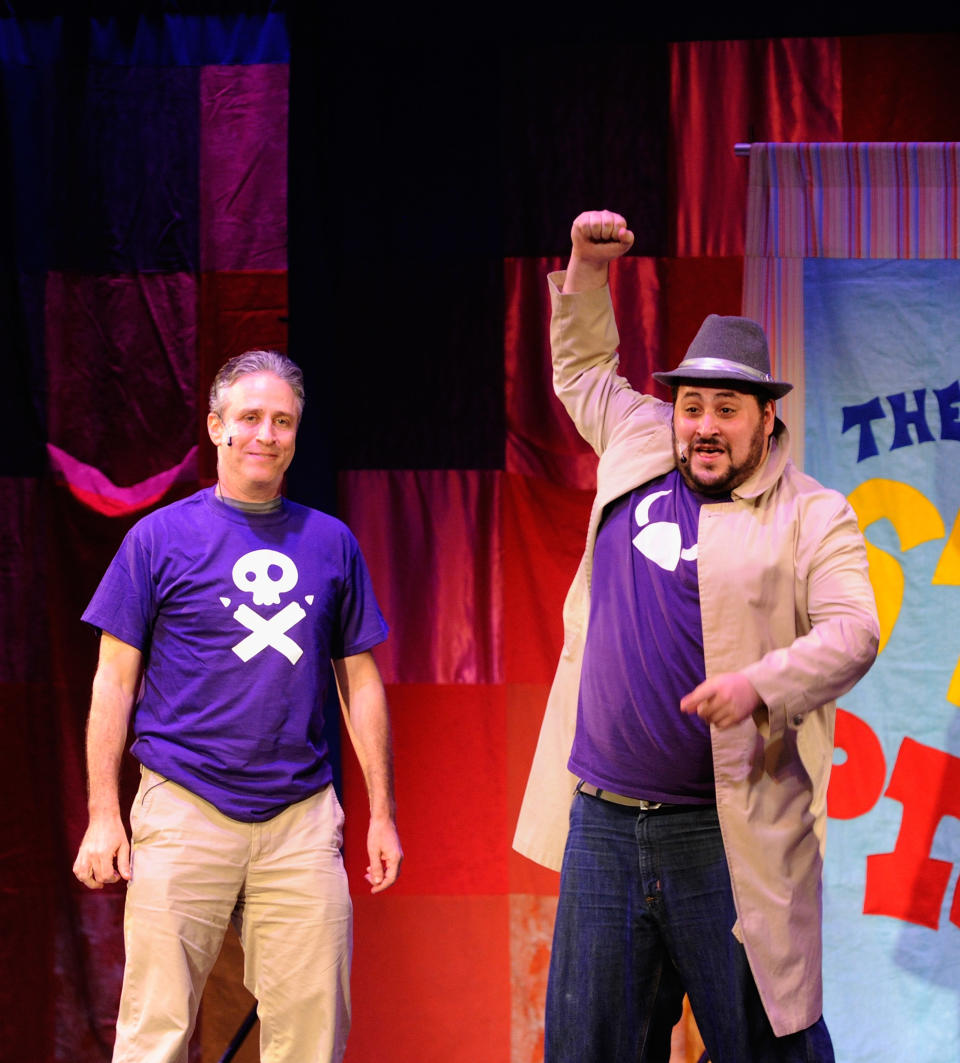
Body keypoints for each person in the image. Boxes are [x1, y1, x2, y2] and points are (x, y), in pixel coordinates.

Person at [513, 211, 879, 1063]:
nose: (703, 425)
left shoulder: (813, 514)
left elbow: (854, 632)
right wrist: (587, 269)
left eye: (726, 408)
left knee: (764, 1043)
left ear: (763, 419)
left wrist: (762, 684)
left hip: (727, 831)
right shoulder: (640, 438)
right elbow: (579, 369)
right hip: (602, 820)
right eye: (691, 405)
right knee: (590, 1046)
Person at [72, 349, 402, 1063]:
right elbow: (113, 682)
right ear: (218, 426)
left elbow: (361, 682)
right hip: (184, 804)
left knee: (312, 1033)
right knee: (155, 1026)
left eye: (282, 421)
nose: (266, 434)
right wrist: (104, 813)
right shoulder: (157, 540)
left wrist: (382, 810)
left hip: (300, 816)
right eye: (249, 417)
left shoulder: (330, 543)